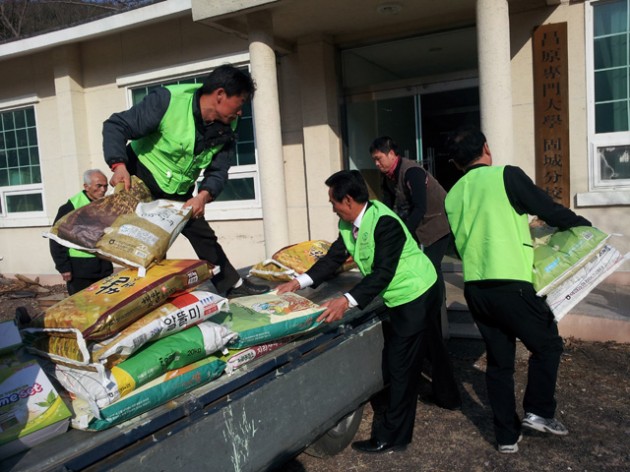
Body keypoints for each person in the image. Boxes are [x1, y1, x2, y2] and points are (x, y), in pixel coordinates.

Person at [444, 125, 592, 453]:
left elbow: (458, 244)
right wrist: (584, 228)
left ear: (456, 163)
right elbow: (548, 209)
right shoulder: (506, 176)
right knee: (548, 345)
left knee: (500, 363)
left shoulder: (452, 195)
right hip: (511, 283)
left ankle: (506, 437)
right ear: (486, 148)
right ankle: (539, 411)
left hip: (477, 288)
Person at [277, 170, 444, 454]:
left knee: (401, 366)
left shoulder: (385, 224)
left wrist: (346, 300)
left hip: (415, 291)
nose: (331, 207)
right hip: (404, 291)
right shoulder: (350, 223)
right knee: (428, 346)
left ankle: (394, 436)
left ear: (349, 200)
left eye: (333, 202)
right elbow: (333, 258)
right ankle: (449, 396)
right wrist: (299, 282)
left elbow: (382, 274)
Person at [102, 64, 268, 298]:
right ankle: (143, 296)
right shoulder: (167, 101)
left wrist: (203, 196)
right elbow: (116, 125)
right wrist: (118, 165)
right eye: (240, 102)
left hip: (179, 188)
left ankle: (232, 286)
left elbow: (219, 170)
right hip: (141, 177)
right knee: (147, 242)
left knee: (203, 236)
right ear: (220, 95)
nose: (241, 112)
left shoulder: (228, 125)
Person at [370, 136, 461, 410]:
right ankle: (432, 315)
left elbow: (420, 208)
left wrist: (399, 235)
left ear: (392, 153)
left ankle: (435, 313)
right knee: (422, 272)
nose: (377, 164)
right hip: (419, 228)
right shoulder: (389, 176)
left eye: (379, 158)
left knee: (431, 272)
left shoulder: (412, 171)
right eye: (374, 160)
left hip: (437, 227)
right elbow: (387, 209)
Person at [49, 169, 114, 295]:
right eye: (99, 186)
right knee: (82, 307)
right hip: (79, 269)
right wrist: (63, 266)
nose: (103, 190)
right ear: (86, 186)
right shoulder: (71, 206)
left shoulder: (106, 204)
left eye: (105, 186)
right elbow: (55, 237)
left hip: (103, 266)